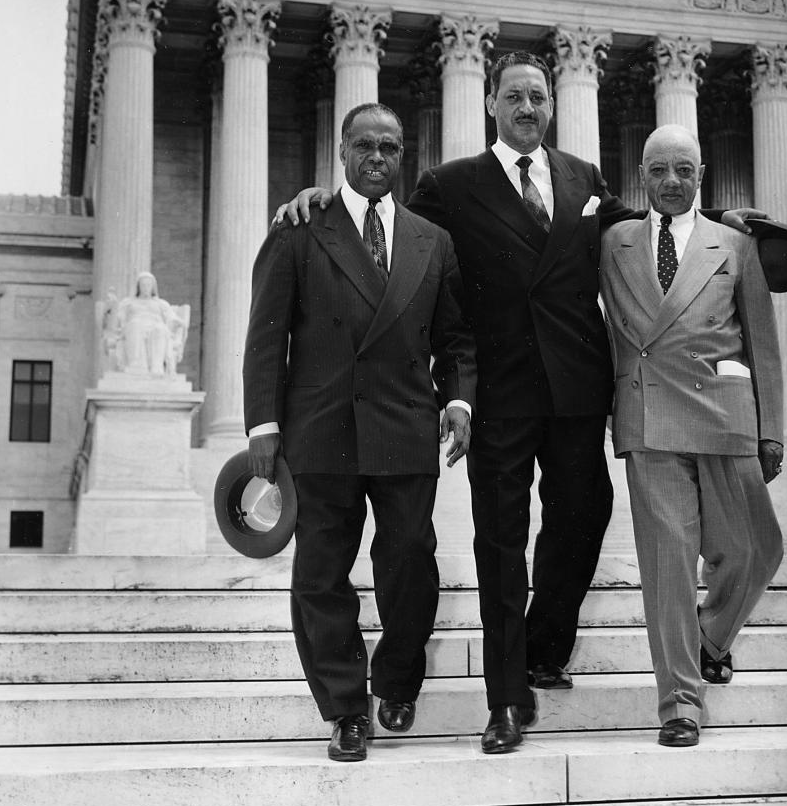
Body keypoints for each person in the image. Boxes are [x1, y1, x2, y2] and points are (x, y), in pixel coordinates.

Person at [275, 52, 630, 754]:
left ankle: (541, 644)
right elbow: (385, 232)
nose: (527, 107)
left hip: (575, 388)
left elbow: (640, 230)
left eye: (539, 96)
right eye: (514, 96)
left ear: (552, 106)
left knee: (586, 515)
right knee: (499, 548)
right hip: (498, 392)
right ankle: (505, 700)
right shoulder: (451, 183)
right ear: (492, 104)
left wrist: (717, 218)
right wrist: (318, 199)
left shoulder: (583, 180)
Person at [245, 104, 475, 763]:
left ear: (403, 156)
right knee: (321, 576)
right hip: (322, 428)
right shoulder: (298, 229)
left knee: (409, 564)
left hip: (405, 425)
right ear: (341, 151)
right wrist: (263, 423)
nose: (378, 157)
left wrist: (459, 401)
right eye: (366, 145)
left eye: (391, 147)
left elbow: (456, 339)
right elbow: (266, 338)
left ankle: (398, 677)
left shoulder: (434, 240)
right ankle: (346, 708)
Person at [599, 124, 784, 748]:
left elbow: (763, 341)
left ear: (701, 176)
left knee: (758, 549)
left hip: (724, 414)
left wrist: (773, 432)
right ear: (642, 178)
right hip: (648, 417)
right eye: (659, 170)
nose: (672, 181)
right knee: (668, 565)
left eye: (684, 169)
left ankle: (708, 638)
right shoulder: (612, 242)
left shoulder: (734, 243)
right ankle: (679, 701)